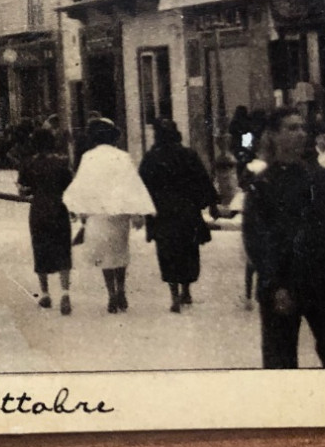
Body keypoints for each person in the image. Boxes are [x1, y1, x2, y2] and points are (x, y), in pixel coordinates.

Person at [243, 107, 325, 369]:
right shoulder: (263, 183)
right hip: (281, 286)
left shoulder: (315, 176)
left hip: (320, 281)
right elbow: (257, 239)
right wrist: (276, 284)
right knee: (281, 362)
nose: (300, 133)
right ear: (273, 135)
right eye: (291, 128)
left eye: (302, 127)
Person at [62, 118, 154, 314]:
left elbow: (82, 185)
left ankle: (111, 293)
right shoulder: (122, 157)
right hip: (119, 213)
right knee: (120, 252)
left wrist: (80, 209)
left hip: (98, 212)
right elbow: (132, 184)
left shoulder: (88, 157)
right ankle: (121, 289)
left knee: (104, 256)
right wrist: (137, 212)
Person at [139, 119, 219, 313]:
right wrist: (211, 204)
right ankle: (186, 290)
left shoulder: (151, 158)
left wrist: (143, 209)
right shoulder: (188, 155)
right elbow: (202, 179)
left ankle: (174, 294)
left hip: (162, 213)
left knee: (167, 253)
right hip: (186, 211)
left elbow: (142, 186)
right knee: (188, 251)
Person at [18, 128, 74, 314]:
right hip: (59, 208)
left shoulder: (28, 164)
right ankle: (65, 293)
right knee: (63, 248)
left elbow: (23, 190)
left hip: (39, 210)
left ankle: (45, 294)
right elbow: (70, 186)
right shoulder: (61, 163)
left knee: (40, 248)